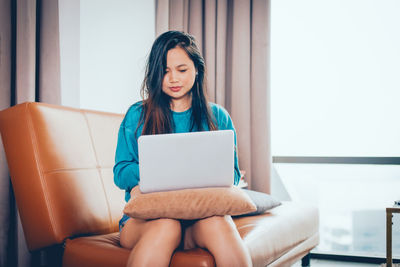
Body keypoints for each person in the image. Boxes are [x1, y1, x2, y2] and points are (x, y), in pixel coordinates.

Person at [113, 30, 252, 267]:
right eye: (165, 71)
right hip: (148, 221)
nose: (173, 79)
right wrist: (163, 170)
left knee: (219, 223)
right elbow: (121, 172)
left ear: (197, 70)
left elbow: (233, 174)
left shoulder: (217, 116)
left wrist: (184, 173)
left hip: (198, 220)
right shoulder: (137, 114)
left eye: (182, 69)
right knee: (166, 225)